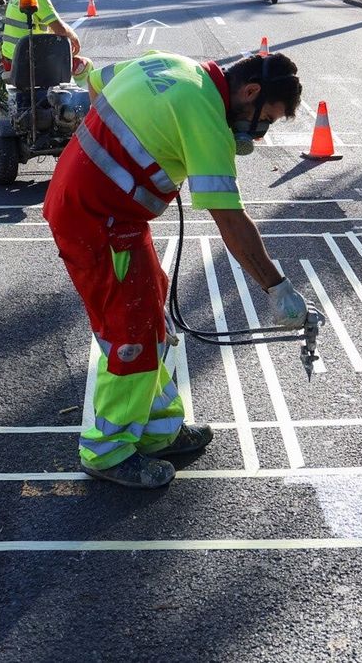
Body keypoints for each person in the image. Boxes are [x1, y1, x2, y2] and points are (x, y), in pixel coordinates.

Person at [44, 50, 311, 488]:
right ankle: (106, 452)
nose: (260, 134)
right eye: (267, 118)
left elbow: (95, 82)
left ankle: (158, 429)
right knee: (128, 331)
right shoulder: (206, 118)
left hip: (110, 212)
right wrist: (276, 288)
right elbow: (230, 220)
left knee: (151, 317)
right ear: (250, 92)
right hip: (94, 219)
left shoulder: (171, 64)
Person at [0, 0, 81, 69]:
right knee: (80, 65)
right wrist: (75, 38)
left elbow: (54, 23)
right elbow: (61, 30)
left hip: (9, 58)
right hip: (27, 64)